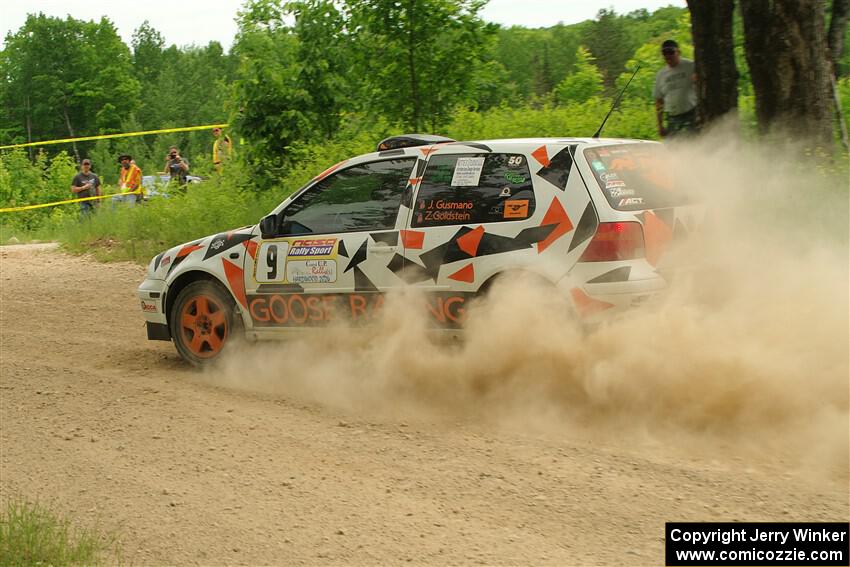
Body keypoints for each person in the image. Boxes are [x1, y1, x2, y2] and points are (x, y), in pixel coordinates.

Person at [654, 39, 698, 138]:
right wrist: (660, 125)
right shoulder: (661, 75)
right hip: (672, 117)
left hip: (691, 114)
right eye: (664, 53)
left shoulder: (691, 66)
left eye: (671, 52)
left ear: (678, 52)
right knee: (673, 149)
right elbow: (659, 101)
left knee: (694, 144)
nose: (668, 56)